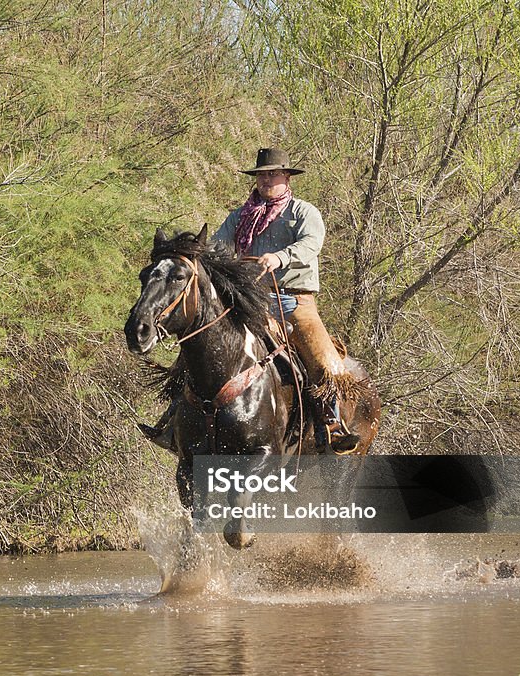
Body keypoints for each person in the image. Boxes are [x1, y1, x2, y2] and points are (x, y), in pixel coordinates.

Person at [140, 147, 360, 454]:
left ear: (287, 177)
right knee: (195, 352)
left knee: (324, 361)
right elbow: (216, 249)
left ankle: (333, 424)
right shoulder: (240, 217)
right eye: (261, 175)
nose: (266, 180)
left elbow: (312, 244)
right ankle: (173, 422)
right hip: (247, 301)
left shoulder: (303, 213)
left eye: (273, 174)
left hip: (295, 303)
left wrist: (280, 258)